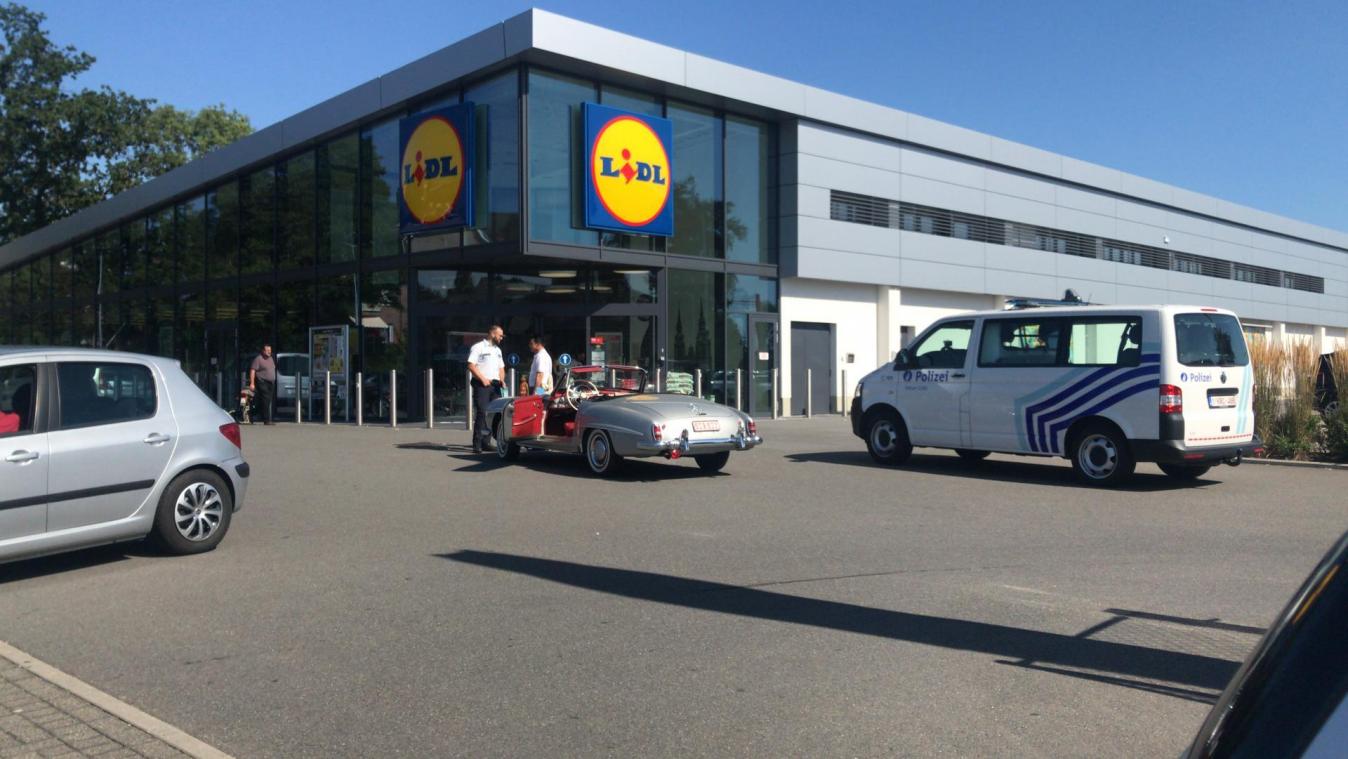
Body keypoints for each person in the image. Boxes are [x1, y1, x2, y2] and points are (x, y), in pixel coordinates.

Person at [467, 325, 505, 453]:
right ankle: (477, 443)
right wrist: (483, 379)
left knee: (493, 414)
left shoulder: (498, 350)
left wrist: (502, 380)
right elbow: (471, 365)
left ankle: (486, 442)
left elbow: (501, 368)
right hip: (482, 384)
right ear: (493, 334)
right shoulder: (478, 347)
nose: (501, 338)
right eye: (500, 335)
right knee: (482, 412)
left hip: (495, 386)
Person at [249, 344, 277, 425]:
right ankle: (266, 420)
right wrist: (252, 383)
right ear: (263, 351)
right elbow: (252, 371)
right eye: (267, 351)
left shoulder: (271, 358)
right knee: (265, 399)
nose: (269, 352)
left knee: (265, 401)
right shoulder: (258, 359)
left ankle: (251, 414)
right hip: (262, 381)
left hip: (271, 383)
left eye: (270, 351)